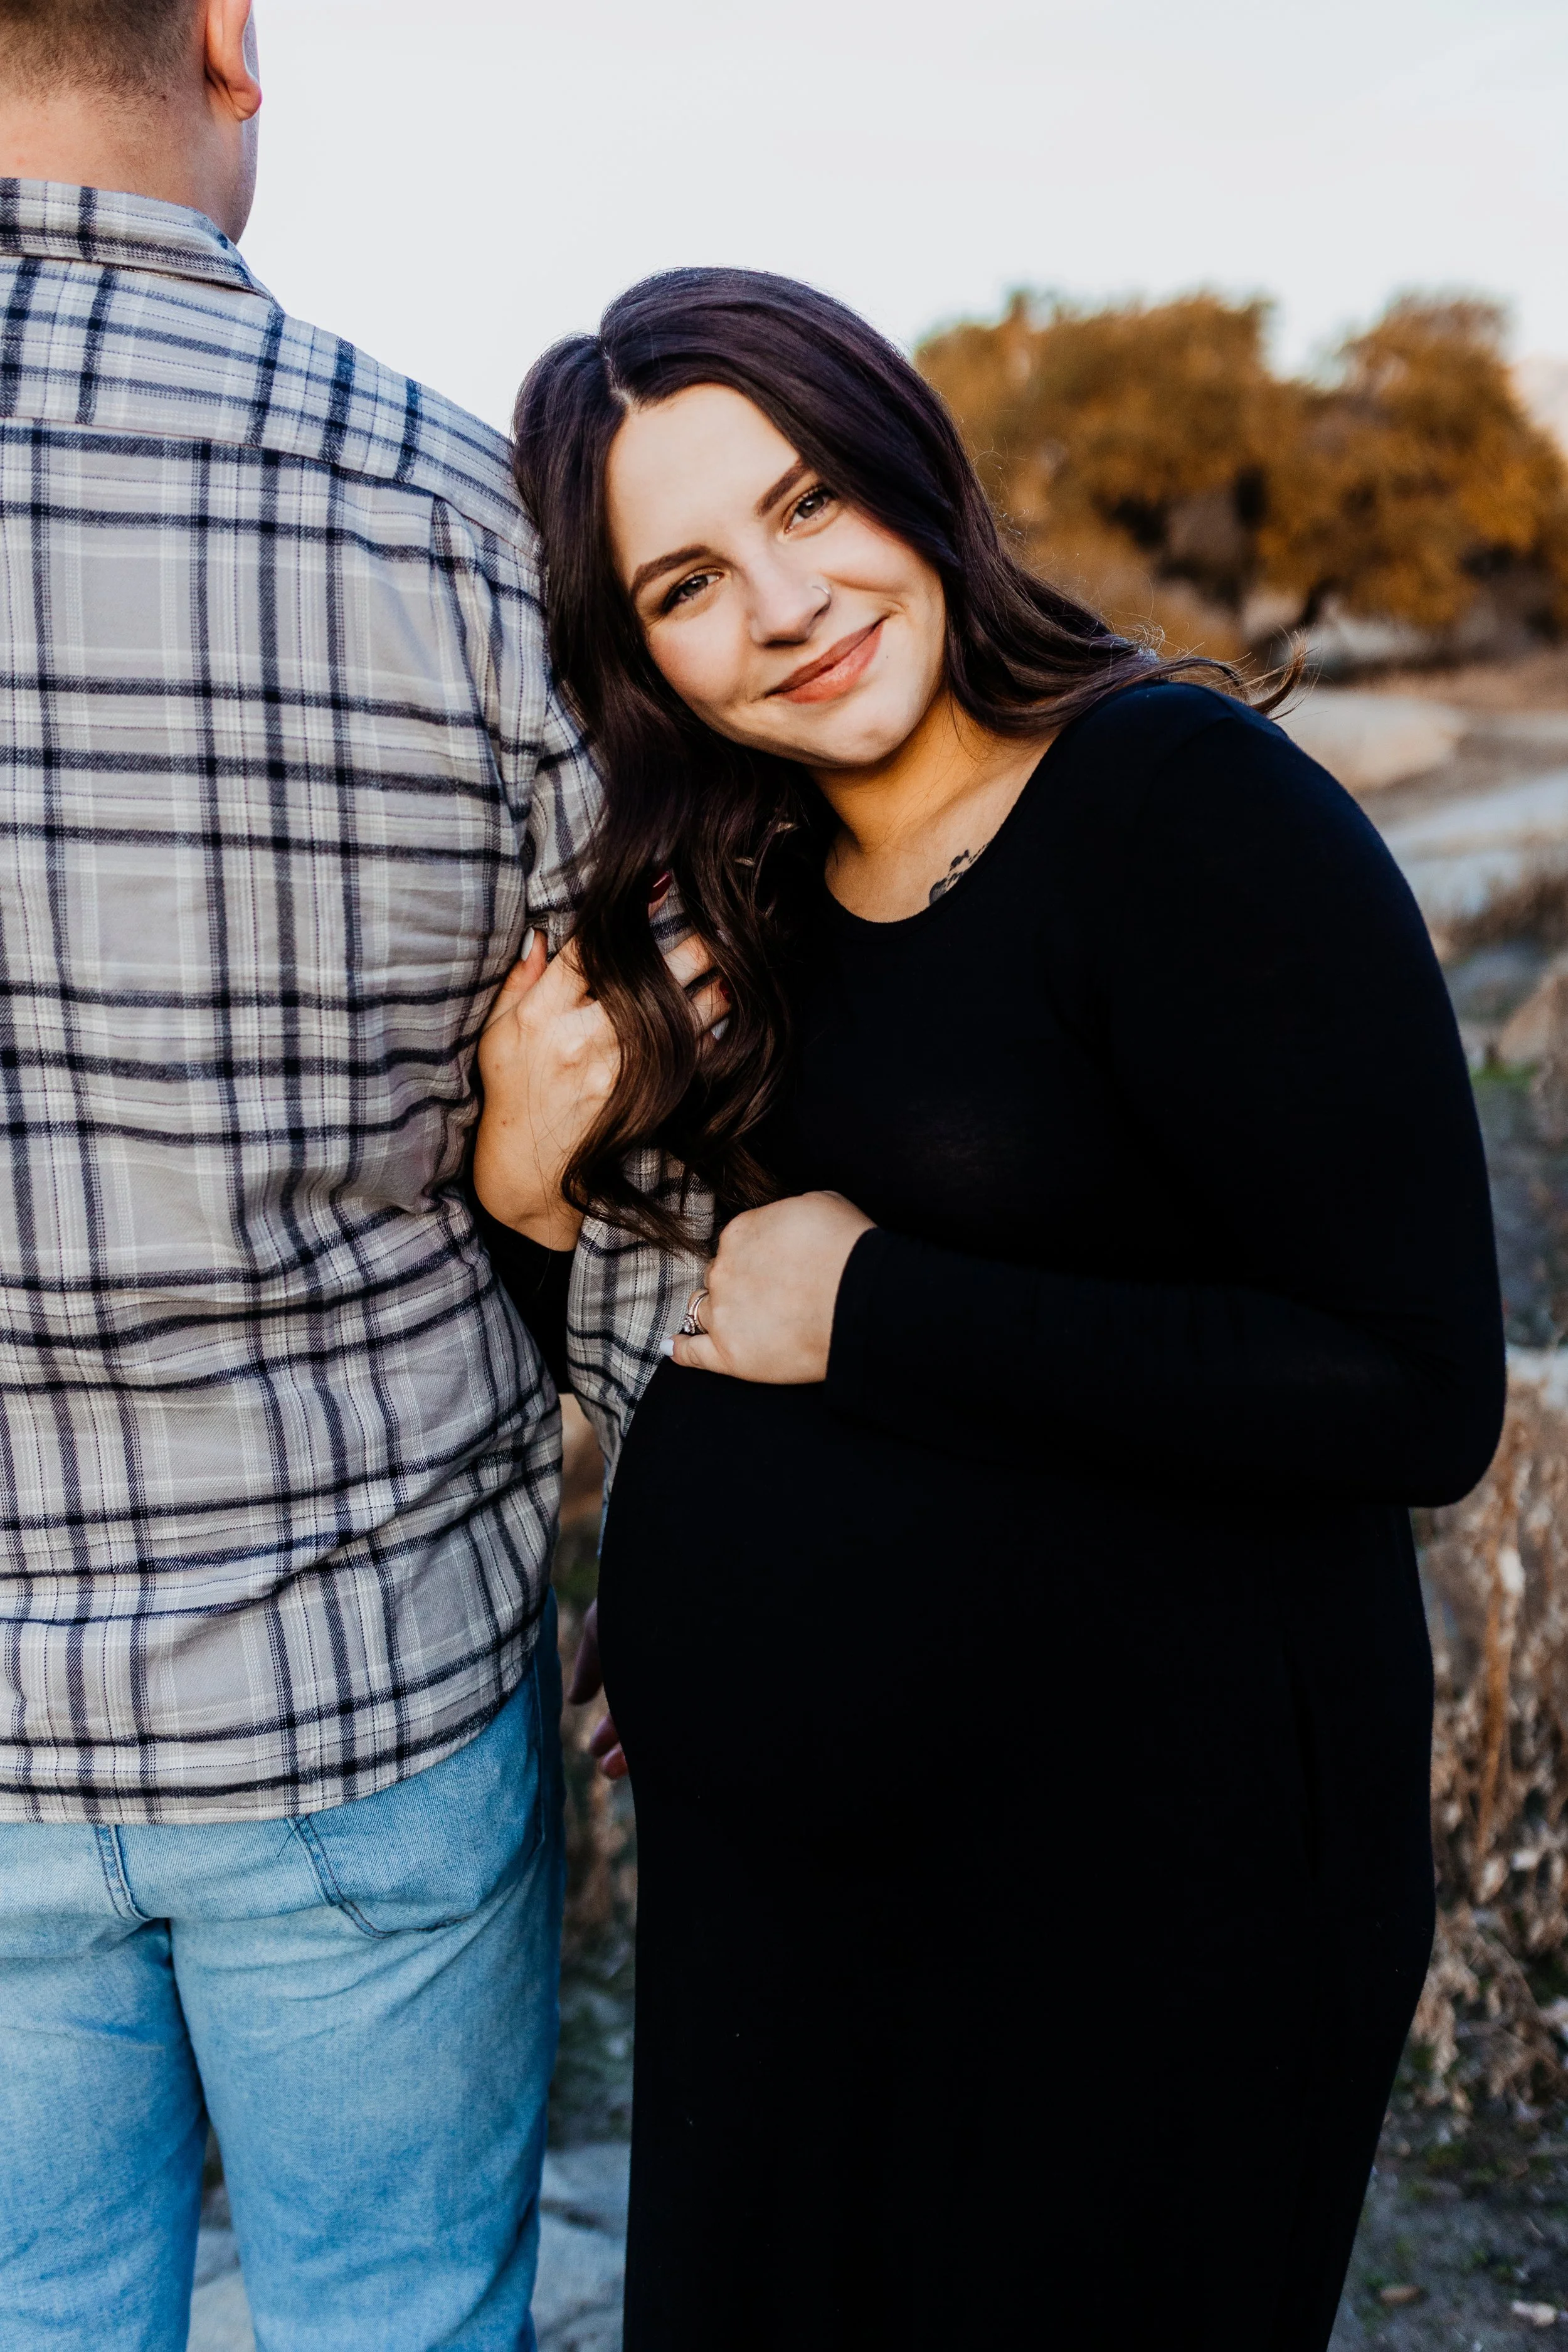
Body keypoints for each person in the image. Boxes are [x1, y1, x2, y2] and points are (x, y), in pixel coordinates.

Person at [475, 268, 1507, 2351]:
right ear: (638, 656)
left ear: (907, 463)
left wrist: (876, 1305)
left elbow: (1411, 1386)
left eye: (805, 502)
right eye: (687, 582)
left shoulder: (1178, 807)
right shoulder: (748, 903)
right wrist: (523, 1183)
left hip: (1141, 1908)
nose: (783, 604)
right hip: (787, 1916)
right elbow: (682, 1341)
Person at [0, 6, 696, 2346]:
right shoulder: (452, 509)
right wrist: (667, 1557)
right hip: (366, 1670)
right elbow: (659, 1123)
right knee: (398, 2309)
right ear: (225, 39)